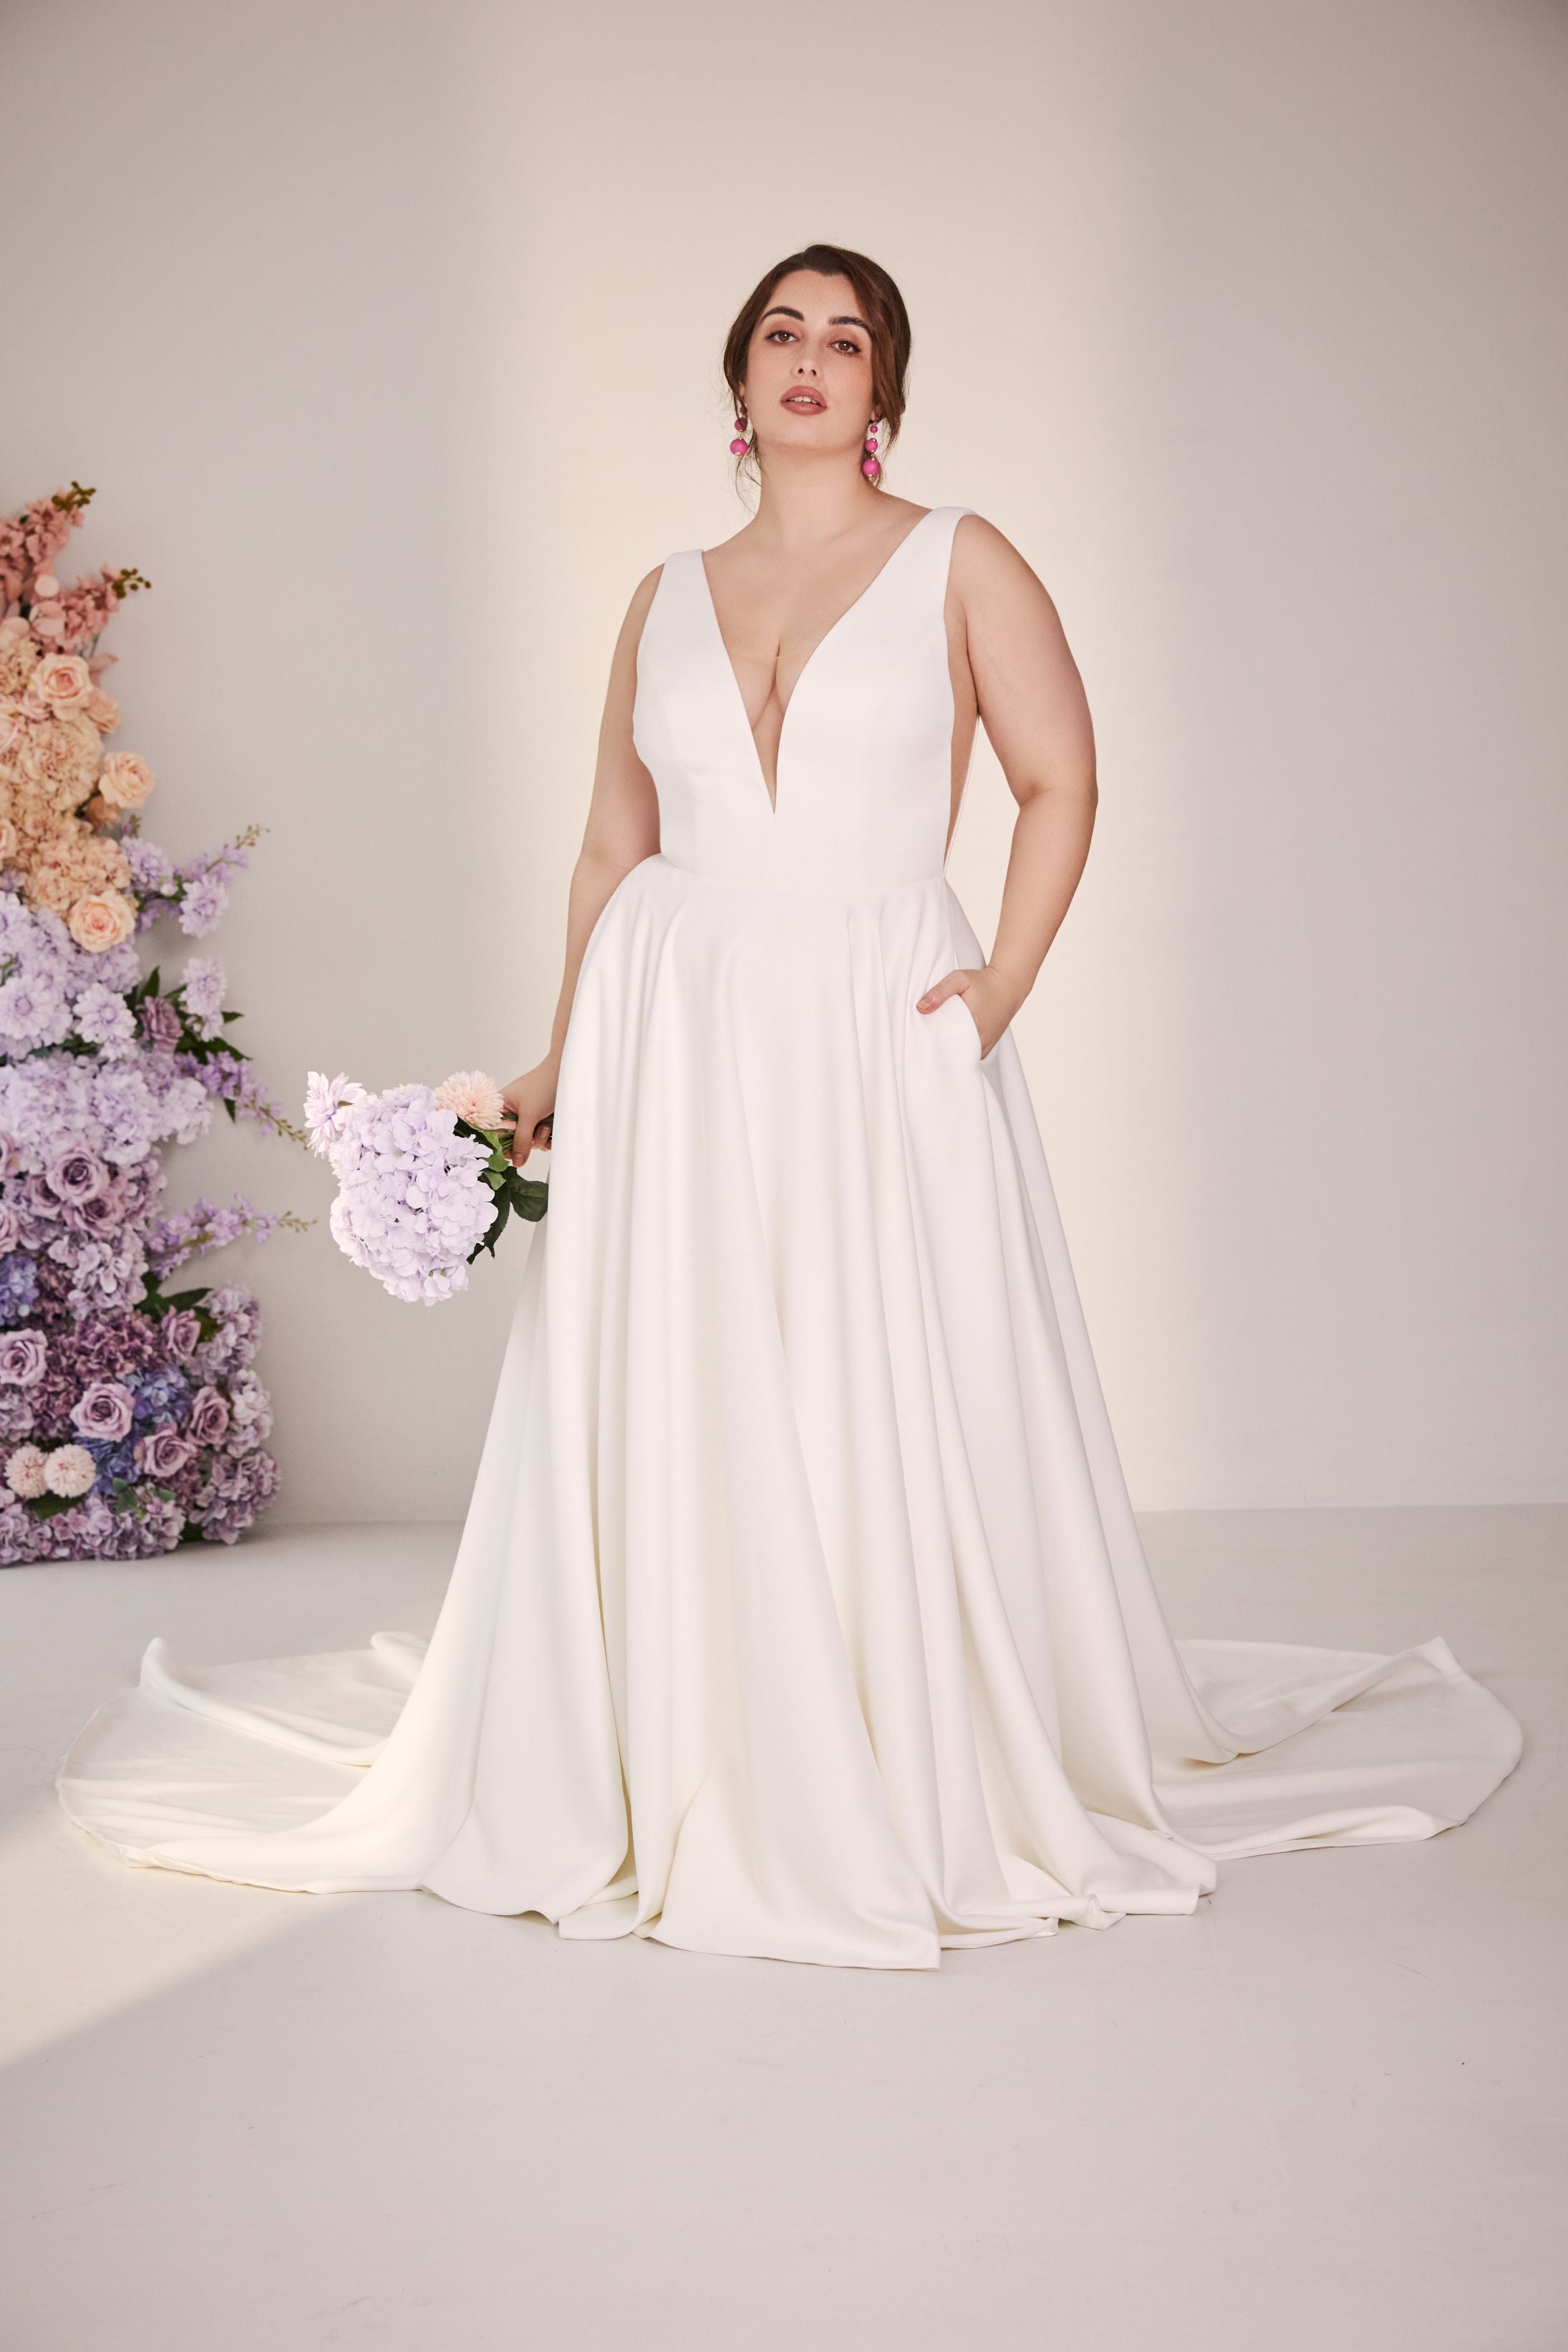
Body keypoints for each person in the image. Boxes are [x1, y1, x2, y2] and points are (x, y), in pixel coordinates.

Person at [58, 244, 1521, 1970]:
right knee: (690, 1365)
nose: (812, 358)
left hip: (874, 1013)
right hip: (674, 1023)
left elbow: (1062, 777)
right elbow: (613, 845)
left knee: (870, 1355)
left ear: (883, 390)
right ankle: (693, 1714)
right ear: (741, 380)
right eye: (782, 332)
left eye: (846, 338)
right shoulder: (662, 591)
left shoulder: (965, 559)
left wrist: (1001, 984)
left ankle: (887, 1727)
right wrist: (562, 1058)